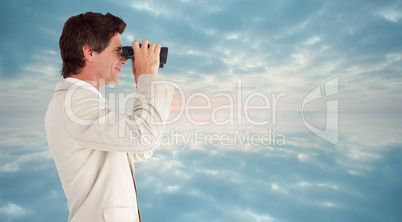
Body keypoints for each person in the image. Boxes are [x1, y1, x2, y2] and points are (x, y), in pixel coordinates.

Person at [45, 12, 173, 222]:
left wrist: (143, 80)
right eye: (118, 51)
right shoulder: (74, 104)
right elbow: (144, 137)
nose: (124, 59)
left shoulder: (79, 102)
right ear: (89, 52)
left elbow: (141, 148)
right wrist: (147, 79)